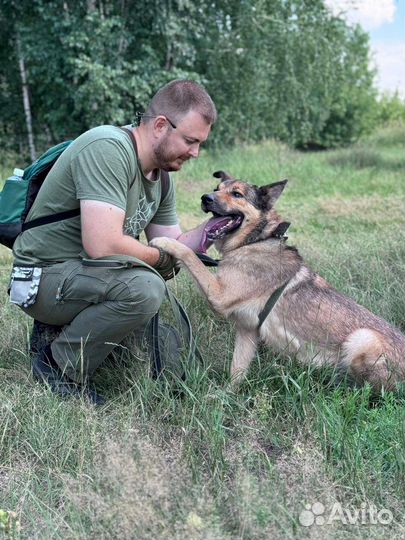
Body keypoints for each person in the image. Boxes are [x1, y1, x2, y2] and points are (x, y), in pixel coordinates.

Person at [10, 79, 217, 405]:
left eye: (200, 143)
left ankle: (63, 336)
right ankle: (58, 366)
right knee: (145, 288)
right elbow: (103, 245)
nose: (195, 152)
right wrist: (161, 259)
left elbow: (171, 243)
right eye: (190, 141)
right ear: (161, 125)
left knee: (147, 301)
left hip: (84, 276)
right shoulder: (108, 148)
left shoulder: (161, 175)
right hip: (40, 277)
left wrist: (218, 227)